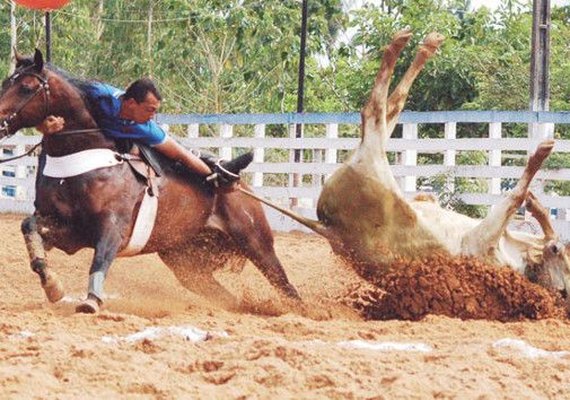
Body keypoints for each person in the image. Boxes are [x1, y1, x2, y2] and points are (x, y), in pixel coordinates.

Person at [37, 78, 241, 187]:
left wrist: (212, 175)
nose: (153, 116)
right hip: (73, 153)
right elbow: (53, 95)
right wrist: (44, 126)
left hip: (118, 147)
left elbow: (181, 154)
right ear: (132, 103)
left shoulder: (146, 127)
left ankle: (218, 165)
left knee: (173, 157)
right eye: (150, 110)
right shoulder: (98, 94)